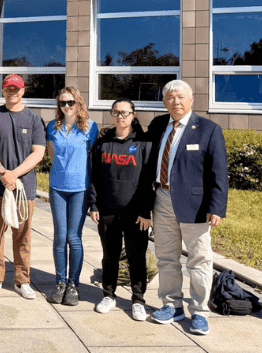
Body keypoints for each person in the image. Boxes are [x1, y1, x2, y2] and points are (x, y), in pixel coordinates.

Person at [148, 80, 228, 335]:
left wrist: (216, 207)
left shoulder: (208, 129)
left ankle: (200, 311)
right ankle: (171, 304)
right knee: (166, 256)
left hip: (195, 204)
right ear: (164, 102)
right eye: (170, 98)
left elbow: (219, 172)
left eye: (181, 97)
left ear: (191, 100)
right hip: (162, 198)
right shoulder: (158, 125)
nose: (176, 102)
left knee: (199, 259)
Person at [0, 74, 46, 299]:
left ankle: (22, 281)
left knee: (23, 236)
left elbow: (38, 153)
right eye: (8, 88)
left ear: (23, 91)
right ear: (3, 90)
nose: (12, 92)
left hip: (24, 188)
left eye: (16, 88)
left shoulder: (34, 119)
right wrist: (3, 173)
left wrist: (14, 174)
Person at [88, 98, 154, 321]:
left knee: (137, 257)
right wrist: (94, 204)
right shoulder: (102, 143)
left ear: (133, 115)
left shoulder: (144, 144)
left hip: (136, 213)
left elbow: (148, 180)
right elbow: (94, 176)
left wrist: (146, 211)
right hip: (108, 210)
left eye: (125, 112)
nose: (120, 116)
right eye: (116, 112)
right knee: (110, 256)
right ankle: (109, 295)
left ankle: (138, 300)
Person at [45, 87, 98, 306]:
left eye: (70, 102)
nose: (66, 106)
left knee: (73, 237)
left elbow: (93, 159)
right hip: (57, 187)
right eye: (62, 103)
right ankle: (60, 283)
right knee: (60, 237)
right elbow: (52, 155)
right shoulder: (52, 126)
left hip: (80, 188)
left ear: (78, 103)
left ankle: (73, 285)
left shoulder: (90, 127)